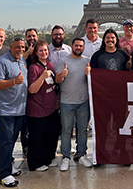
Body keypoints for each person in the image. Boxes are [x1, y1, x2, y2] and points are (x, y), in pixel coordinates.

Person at [0, 38, 27, 187]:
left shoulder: (22, 60)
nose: (20, 49)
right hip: (5, 110)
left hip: (18, 109)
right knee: (5, 142)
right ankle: (4, 174)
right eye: (17, 47)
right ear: (10, 47)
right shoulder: (1, 62)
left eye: (22, 47)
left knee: (11, 141)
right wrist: (14, 81)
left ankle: (5, 167)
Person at [25, 41, 63, 172]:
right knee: (37, 137)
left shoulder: (50, 64)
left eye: (46, 50)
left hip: (51, 107)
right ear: (36, 52)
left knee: (51, 135)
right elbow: (32, 89)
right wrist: (42, 76)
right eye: (40, 51)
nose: (44, 53)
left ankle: (47, 158)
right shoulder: (34, 68)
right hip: (38, 108)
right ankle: (35, 162)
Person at [58, 38, 91, 171]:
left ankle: (81, 154)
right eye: (76, 45)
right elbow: (57, 79)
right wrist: (62, 74)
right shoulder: (63, 60)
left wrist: (89, 75)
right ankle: (66, 156)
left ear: (83, 47)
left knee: (83, 130)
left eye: (80, 46)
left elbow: (92, 81)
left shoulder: (87, 61)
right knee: (66, 131)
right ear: (72, 46)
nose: (78, 47)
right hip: (66, 102)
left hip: (83, 101)